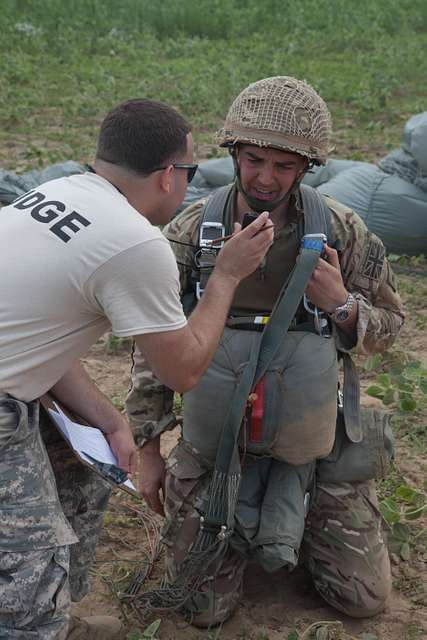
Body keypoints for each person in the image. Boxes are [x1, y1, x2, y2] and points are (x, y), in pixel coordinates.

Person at [126, 77, 405, 627]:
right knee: (202, 610)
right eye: (254, 160)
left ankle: (297, 515)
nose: (266, 178)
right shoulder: (192, 231)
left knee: (362, 601)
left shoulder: (341, 232)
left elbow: (391, 327)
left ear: (306, 168)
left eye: (284, 166)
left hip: (313, 443)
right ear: (232, 152)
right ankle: (237, 519)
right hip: (215, 444)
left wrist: (342, 305)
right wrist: (150, 446)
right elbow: (151, 344)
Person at [0, 98, 274, 640]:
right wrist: (226, 277)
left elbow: (32, 343)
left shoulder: (53, 193)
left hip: (14, 383)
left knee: (84, 473)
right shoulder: (134, 242)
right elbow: (184, 370)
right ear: (170, 176)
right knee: (31, 561)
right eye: (189, 173)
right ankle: (34, 622)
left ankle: (56, 617)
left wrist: (109, 419)